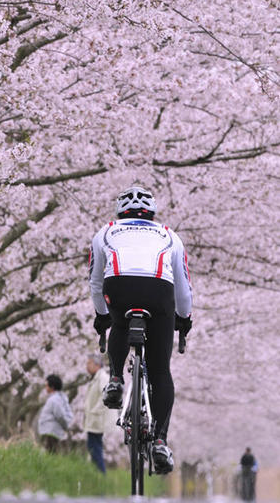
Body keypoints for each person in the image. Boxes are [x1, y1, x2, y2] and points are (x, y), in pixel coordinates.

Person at [88, 186, 193, 474]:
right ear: (152, 211)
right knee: (160, 372)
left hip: (118, 287)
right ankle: (159, 440)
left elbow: (96, 282)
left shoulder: (106, 231)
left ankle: (115, 379)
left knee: (119, 322)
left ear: (120, 210)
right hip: (159, 292)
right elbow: (183, 289)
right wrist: (183, 319)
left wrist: (102, 315)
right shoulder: (170, 235)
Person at [84, 353, 113, 473]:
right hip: (94, 420)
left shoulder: (103, 378)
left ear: (97, 365)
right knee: (93, 448)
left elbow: (105, 397)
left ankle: (101, 475)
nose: (87, 366)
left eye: (89, 363)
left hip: (97, 420)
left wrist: (94, 411)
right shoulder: (97, 378)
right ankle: (98, 476)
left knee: (95, 449)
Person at [37, 374, 74, 453]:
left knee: (50, 453)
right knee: (51, 453)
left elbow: (60, 415)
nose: (45, 387)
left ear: (52, 387)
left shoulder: (54, 400)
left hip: (51, 431)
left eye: (46, 385)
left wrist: (65, 425)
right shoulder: (58, 398)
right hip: (51, 430)